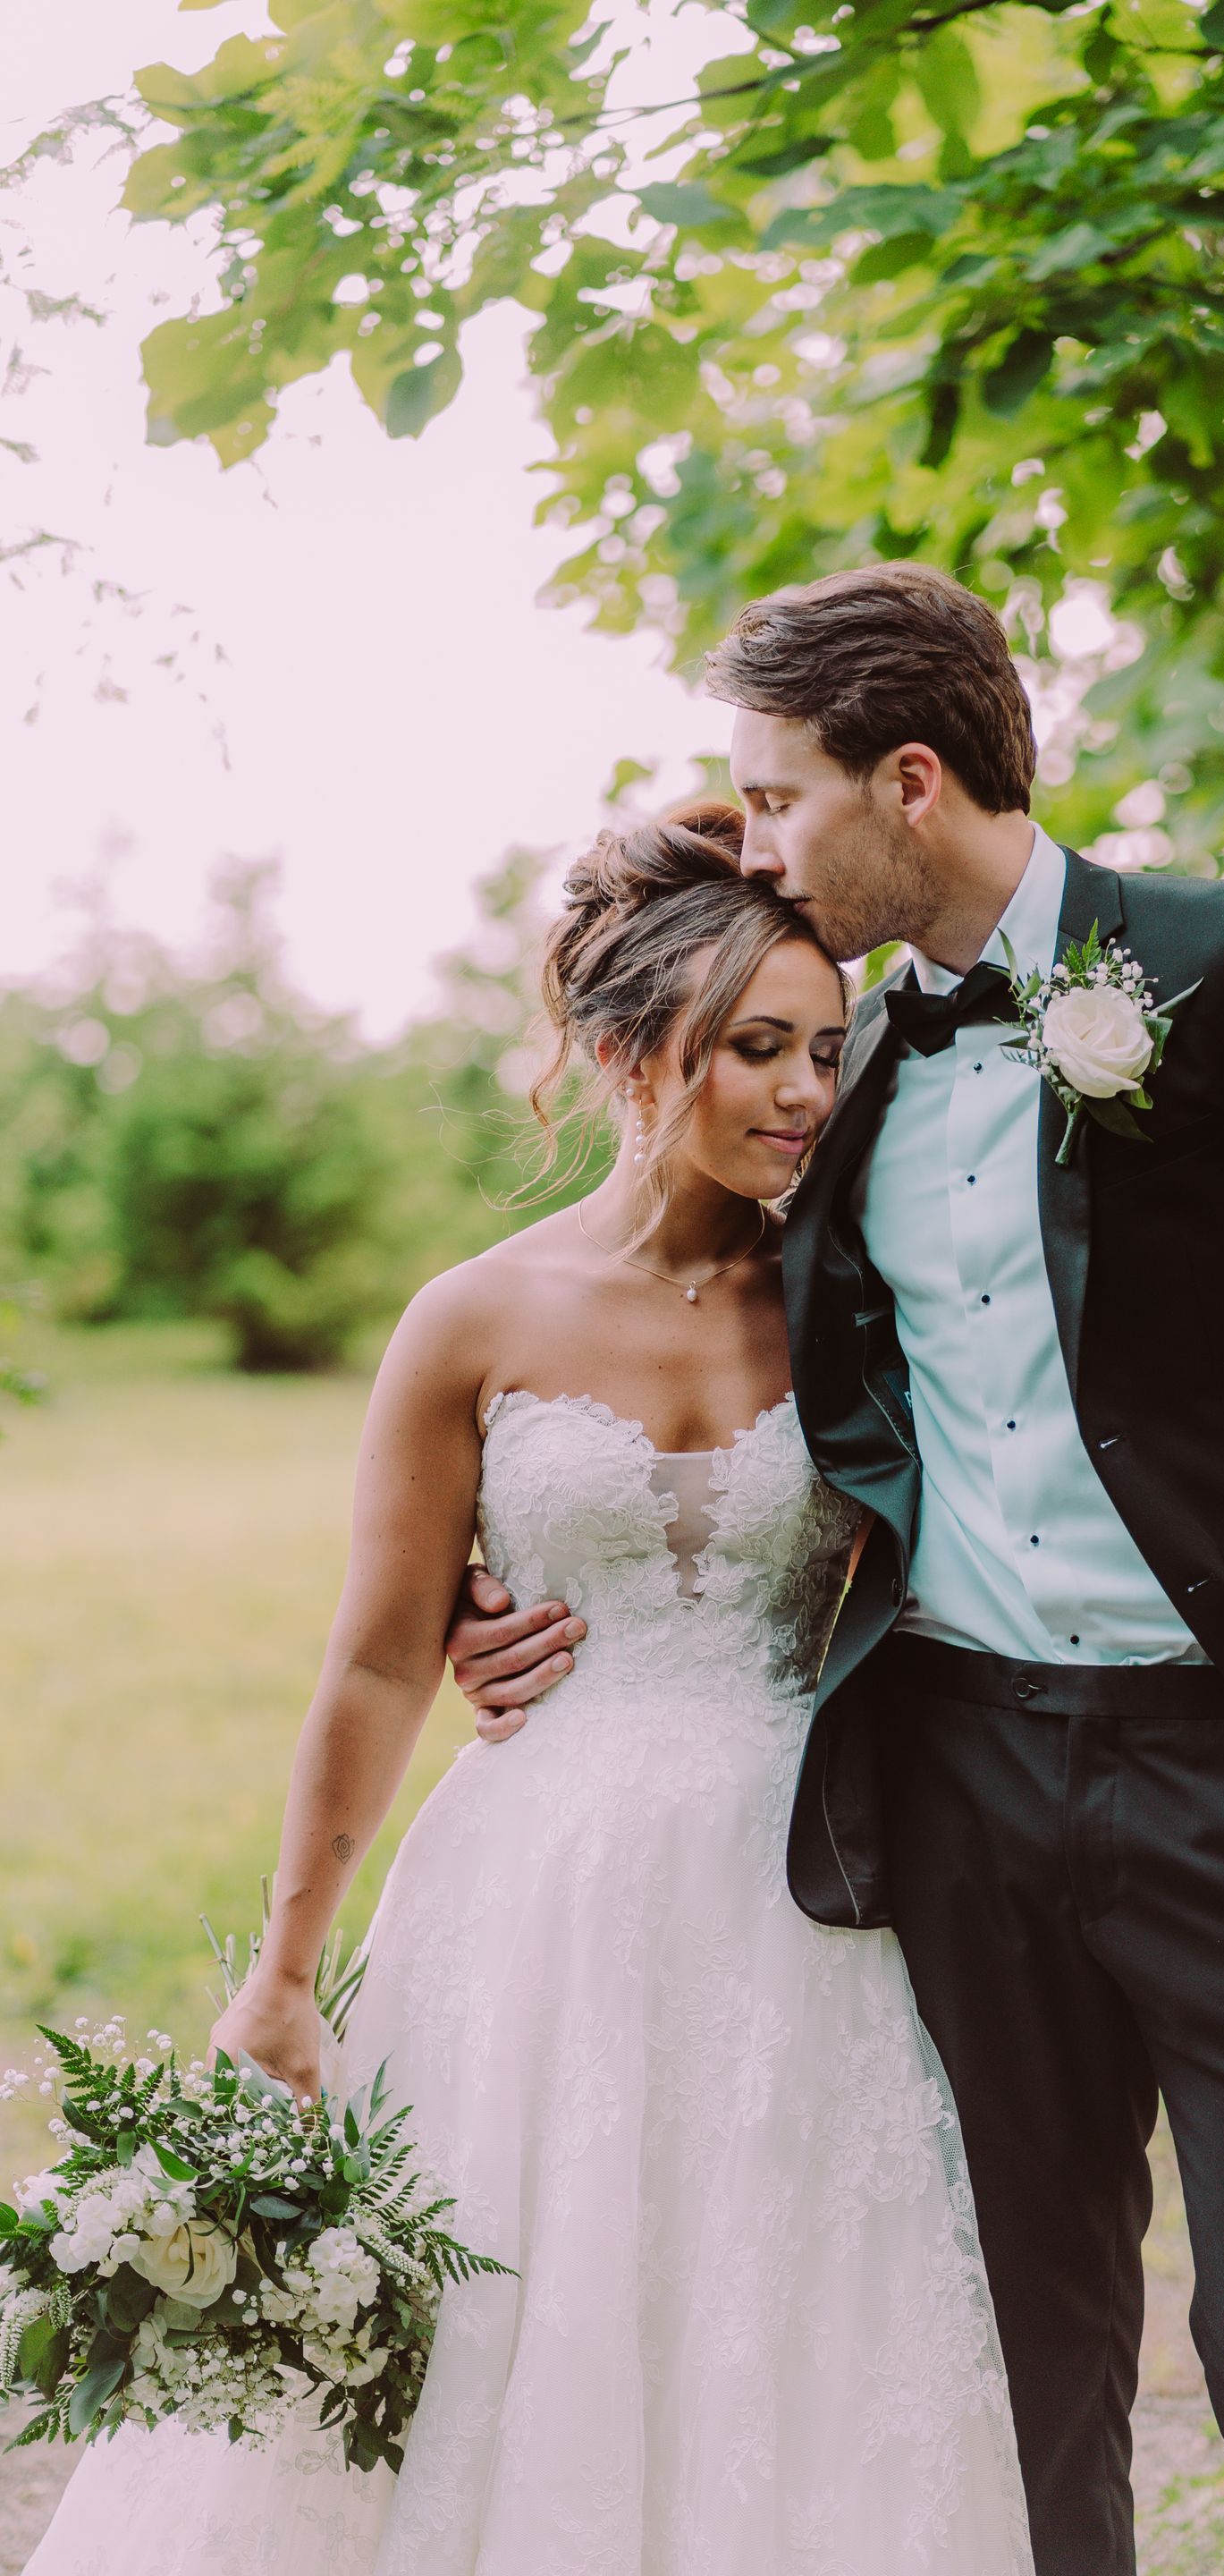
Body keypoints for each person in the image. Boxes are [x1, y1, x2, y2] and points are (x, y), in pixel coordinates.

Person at [449, 566, 1224, 2576]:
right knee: (1011, 2353)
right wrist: (492, 1564)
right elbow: (686, 1335)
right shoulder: (831, 1060)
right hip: (953, 1770)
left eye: (775, 798)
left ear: (915, 781)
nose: (753, 838)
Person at [26, 807, 1033, 2576]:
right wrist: (281, 1972)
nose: (805, 1090)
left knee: (775, 2343)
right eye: (754, 1049)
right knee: (513, 2334)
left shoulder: (868, 1305)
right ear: (636, 1054)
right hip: (534, 1905)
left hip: (811, 1904)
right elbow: (376, 1654)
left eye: (821, 1048)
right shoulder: (473, 1320)